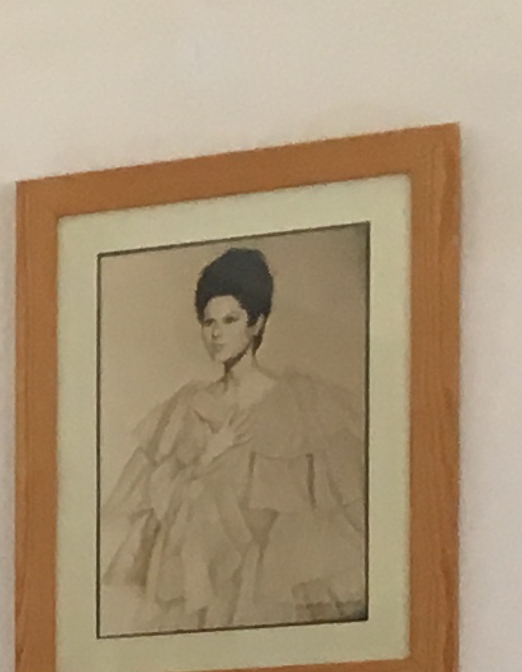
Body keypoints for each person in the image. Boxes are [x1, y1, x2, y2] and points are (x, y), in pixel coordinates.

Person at [96, 244, 368, 633]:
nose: (216, 333)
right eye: (208, 322)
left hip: (270, 588)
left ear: (256, 324)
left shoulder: (299, 405)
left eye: (230, 320)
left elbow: (335, 510)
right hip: (206, 587)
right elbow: (157, 512)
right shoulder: (186, 407)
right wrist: (206, 458)